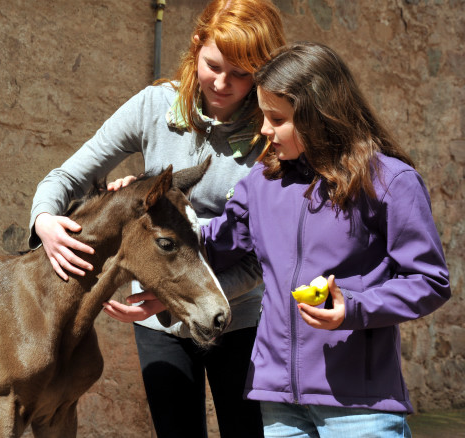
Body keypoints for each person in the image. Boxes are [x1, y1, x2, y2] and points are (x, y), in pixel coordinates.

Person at [28, 1, 285, 436]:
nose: (222, 83)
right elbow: (69, 175)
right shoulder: (153, 106)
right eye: (213, 65)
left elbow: (266, 258)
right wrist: (44, 221)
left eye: (242, 74)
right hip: (157, 323)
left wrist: (182, 295)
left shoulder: (274, 131)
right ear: (196, 46)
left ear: (263, 71)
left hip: (240, 319)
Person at [202, 41, 451, 437]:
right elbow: (209, 249)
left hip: (360, 405)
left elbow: (430, 281)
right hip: (278, 399)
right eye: (264, 116)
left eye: (277, 118)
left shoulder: (389, 182)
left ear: (318, 115)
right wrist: (144, 216)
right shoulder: (261, 184)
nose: (265, 129)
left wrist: (352, 309)